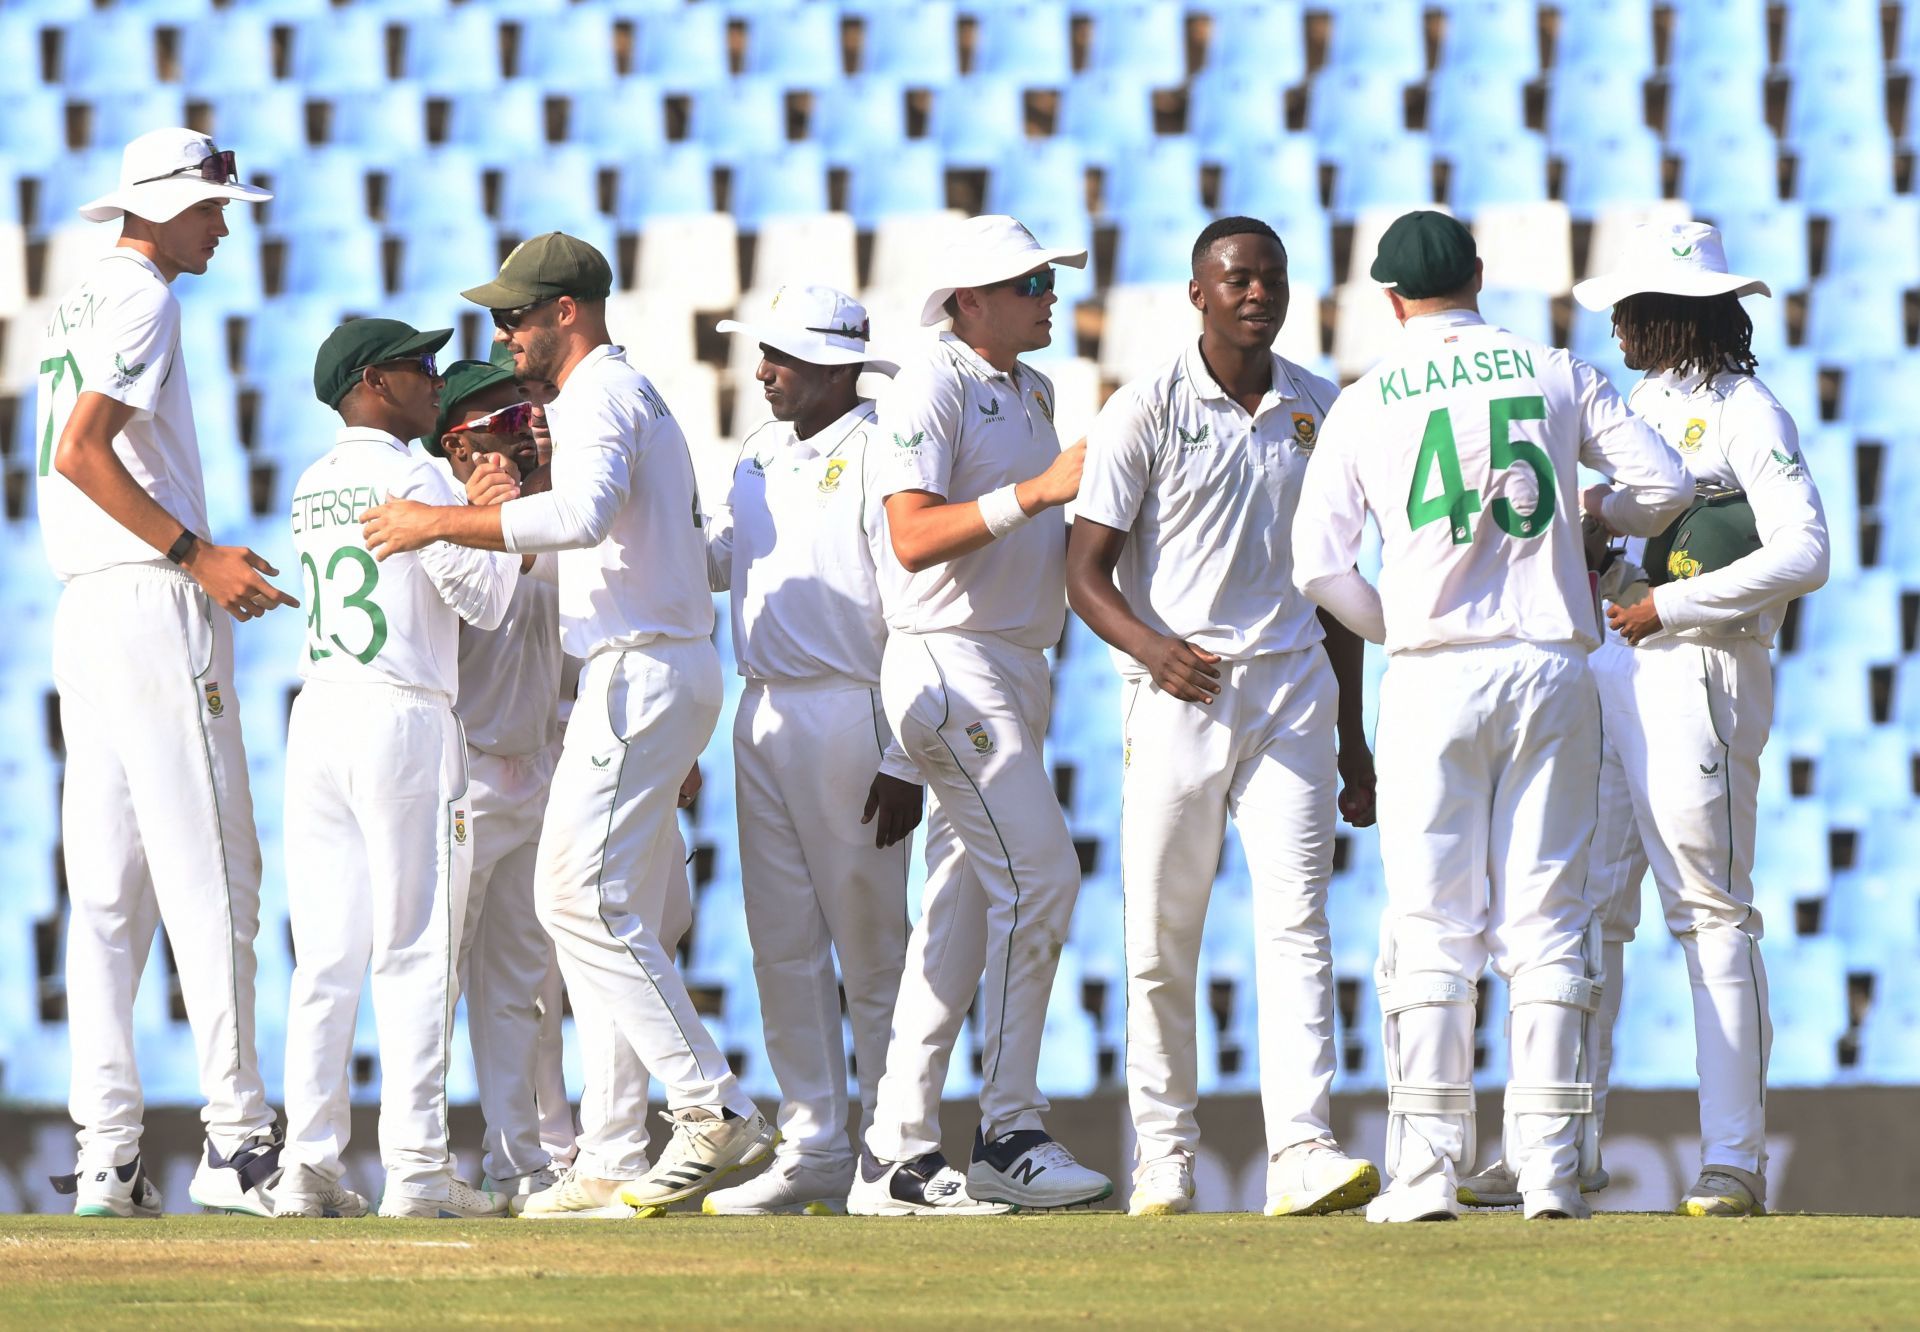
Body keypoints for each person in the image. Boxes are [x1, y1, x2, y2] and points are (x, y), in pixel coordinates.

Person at [359, 232, 775, 1218]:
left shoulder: (596, 396)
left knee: (575, 903)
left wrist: (437, 523)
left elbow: (581, 517)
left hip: (639, 671)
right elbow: (621, 540)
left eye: (515, 316)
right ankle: (609, 1154)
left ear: (567, 314)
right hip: (645, 667)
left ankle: (711, 1107)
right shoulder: (616, 396)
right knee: (603, 910)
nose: (501, 334)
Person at [1290, 211, 1694, 1223]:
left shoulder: (1367, 396)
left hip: (1434, 670)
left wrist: (1398, 631)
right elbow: (1666, 485)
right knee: (1549, 921)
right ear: (1480, 274)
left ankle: (1426, 1176)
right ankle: (1550, 1173)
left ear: (1389, 297)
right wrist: (1592, 516)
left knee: (1433, 925)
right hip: (1552, 662)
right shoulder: (1555, 370)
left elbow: (1317, 566)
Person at [1067, 217, 1380, 1218]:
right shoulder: (1144, 409)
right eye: (1237, 279)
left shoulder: (1318, 409)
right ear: (1198, 293)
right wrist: (1154, 650)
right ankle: (1164, 1156)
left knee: (1298, 926)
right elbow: (1084, 572)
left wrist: (1355, 739)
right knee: (1164, 936)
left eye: (1272, 279)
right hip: (1178, 694)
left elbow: (1337, 588)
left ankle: (1302, 1148)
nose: (1257, 294)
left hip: (1293, 691)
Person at [37, 128, 291, 1218]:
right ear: (165, 205)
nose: (224, 224)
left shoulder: (85, 295)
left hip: (83, 606)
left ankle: (109, 1154)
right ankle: (237, 1142)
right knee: (215, 872)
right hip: (147, 594)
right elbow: (81, 451)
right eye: (212, 207)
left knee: (105, 895)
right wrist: (198, 554)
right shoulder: (145, 298)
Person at [845, 215, 1107, 1216]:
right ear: (968, 301)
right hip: (954, 668)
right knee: (1043, 879)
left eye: (1046, 279)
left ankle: (896, 1154)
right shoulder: (931, 382)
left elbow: (1037, 543)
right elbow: (910, 538)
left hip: (1013, 670)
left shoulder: (1030, 389)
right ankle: (1009, 1130)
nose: (1048, 294)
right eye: (1029, 281)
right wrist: (1040, 492)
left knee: (956, 918)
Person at [1565, 222, 1826, 1218]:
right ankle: (1566, 1144)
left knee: (1708, 909)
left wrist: (1669, 605)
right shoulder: (1646, 401)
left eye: (1632, 307)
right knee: (1590, 906)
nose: (1617, 323)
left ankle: (1733, 1160)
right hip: (1621, 663)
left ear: (1675, 315)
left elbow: (1806, 553)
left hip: (1701, 669)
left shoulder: (1751, 413)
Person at [272, 319, 520, 1220]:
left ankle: (307, 1165)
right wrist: (490, 499)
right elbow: (486, 603)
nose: (434, 382)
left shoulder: (311, 482)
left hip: (320, 712)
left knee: (326, 958)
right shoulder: (416, 475)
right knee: (414, 948)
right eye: (419, 369)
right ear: (373, 383)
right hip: (404, 715)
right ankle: (416, 1171)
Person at [698, 286, 923, 1215]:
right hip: (762, 711)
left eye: (780, 358)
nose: (763, 372)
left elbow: (909, 604)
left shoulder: (880, 448)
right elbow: (721, 560)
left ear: (836, 368)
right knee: (781, 944)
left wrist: (906, 753)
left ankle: (893, 1146)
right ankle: (816, 1144)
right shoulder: (755, 452)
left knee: (871, 946)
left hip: (852, 709)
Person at [427, 359, 566, 1207]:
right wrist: (493, 520)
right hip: (460, 774)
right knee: (433, 980)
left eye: (527, 417)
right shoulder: (434, 524)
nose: (524, 431)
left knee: (519, 987)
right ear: (457, 441)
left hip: (535, 766)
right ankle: (420, 1160)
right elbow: (475, 614)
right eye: (501, 423)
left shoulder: (548, 517)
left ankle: (519, 1160)